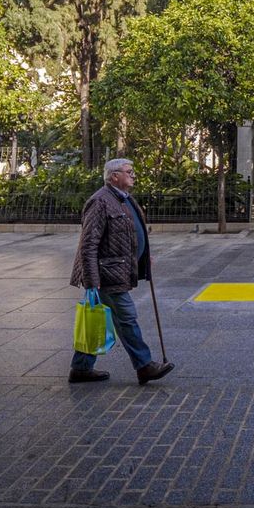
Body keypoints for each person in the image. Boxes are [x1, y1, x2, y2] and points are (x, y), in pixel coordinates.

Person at [68, 158, 174, 386]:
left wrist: (143, 258)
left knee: (100, 320)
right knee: (127, 318)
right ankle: (144, 366)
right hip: (106, 275)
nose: (133, 175)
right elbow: (88, 245)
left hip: (115, 271)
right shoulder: (100, 202)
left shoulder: (124, 199)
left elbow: (128, 235)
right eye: (129, 171)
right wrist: (91, 280)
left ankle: (81, 368)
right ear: (114, 176)